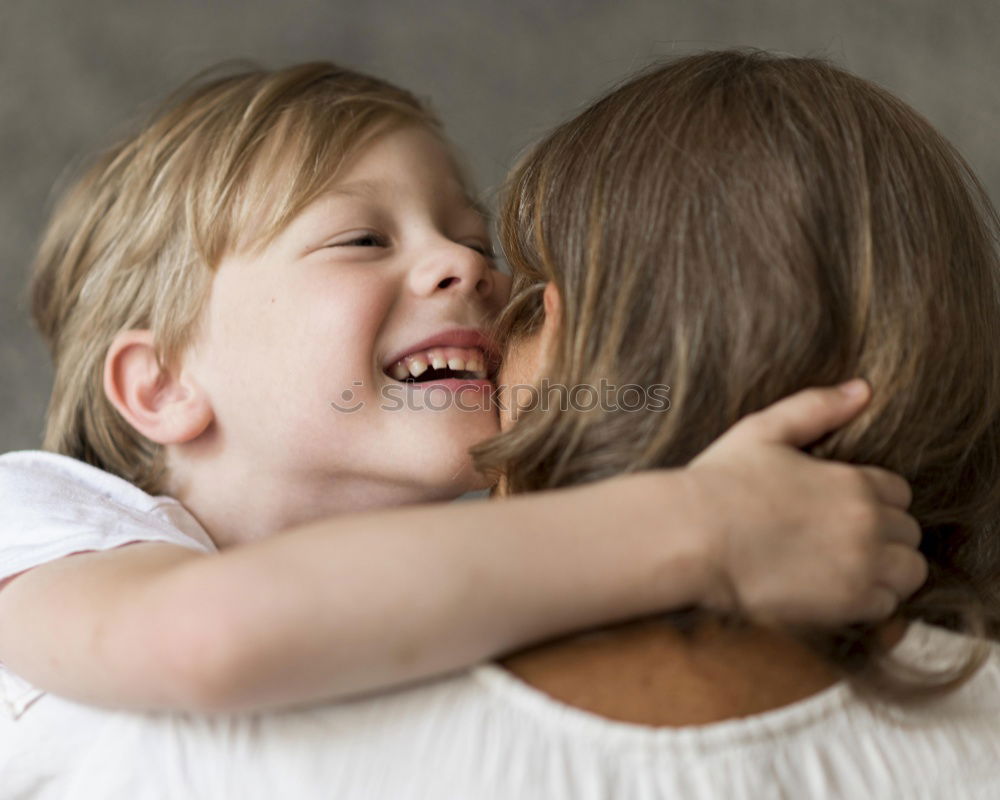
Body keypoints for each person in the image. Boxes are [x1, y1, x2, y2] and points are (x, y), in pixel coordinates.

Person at [1, 50, 989, 799]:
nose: (471, 269)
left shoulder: (465, 585)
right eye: (361, 238)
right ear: (163, 382)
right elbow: (205, 633)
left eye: (475, 240)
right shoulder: (45, 519)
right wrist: (707, 524)